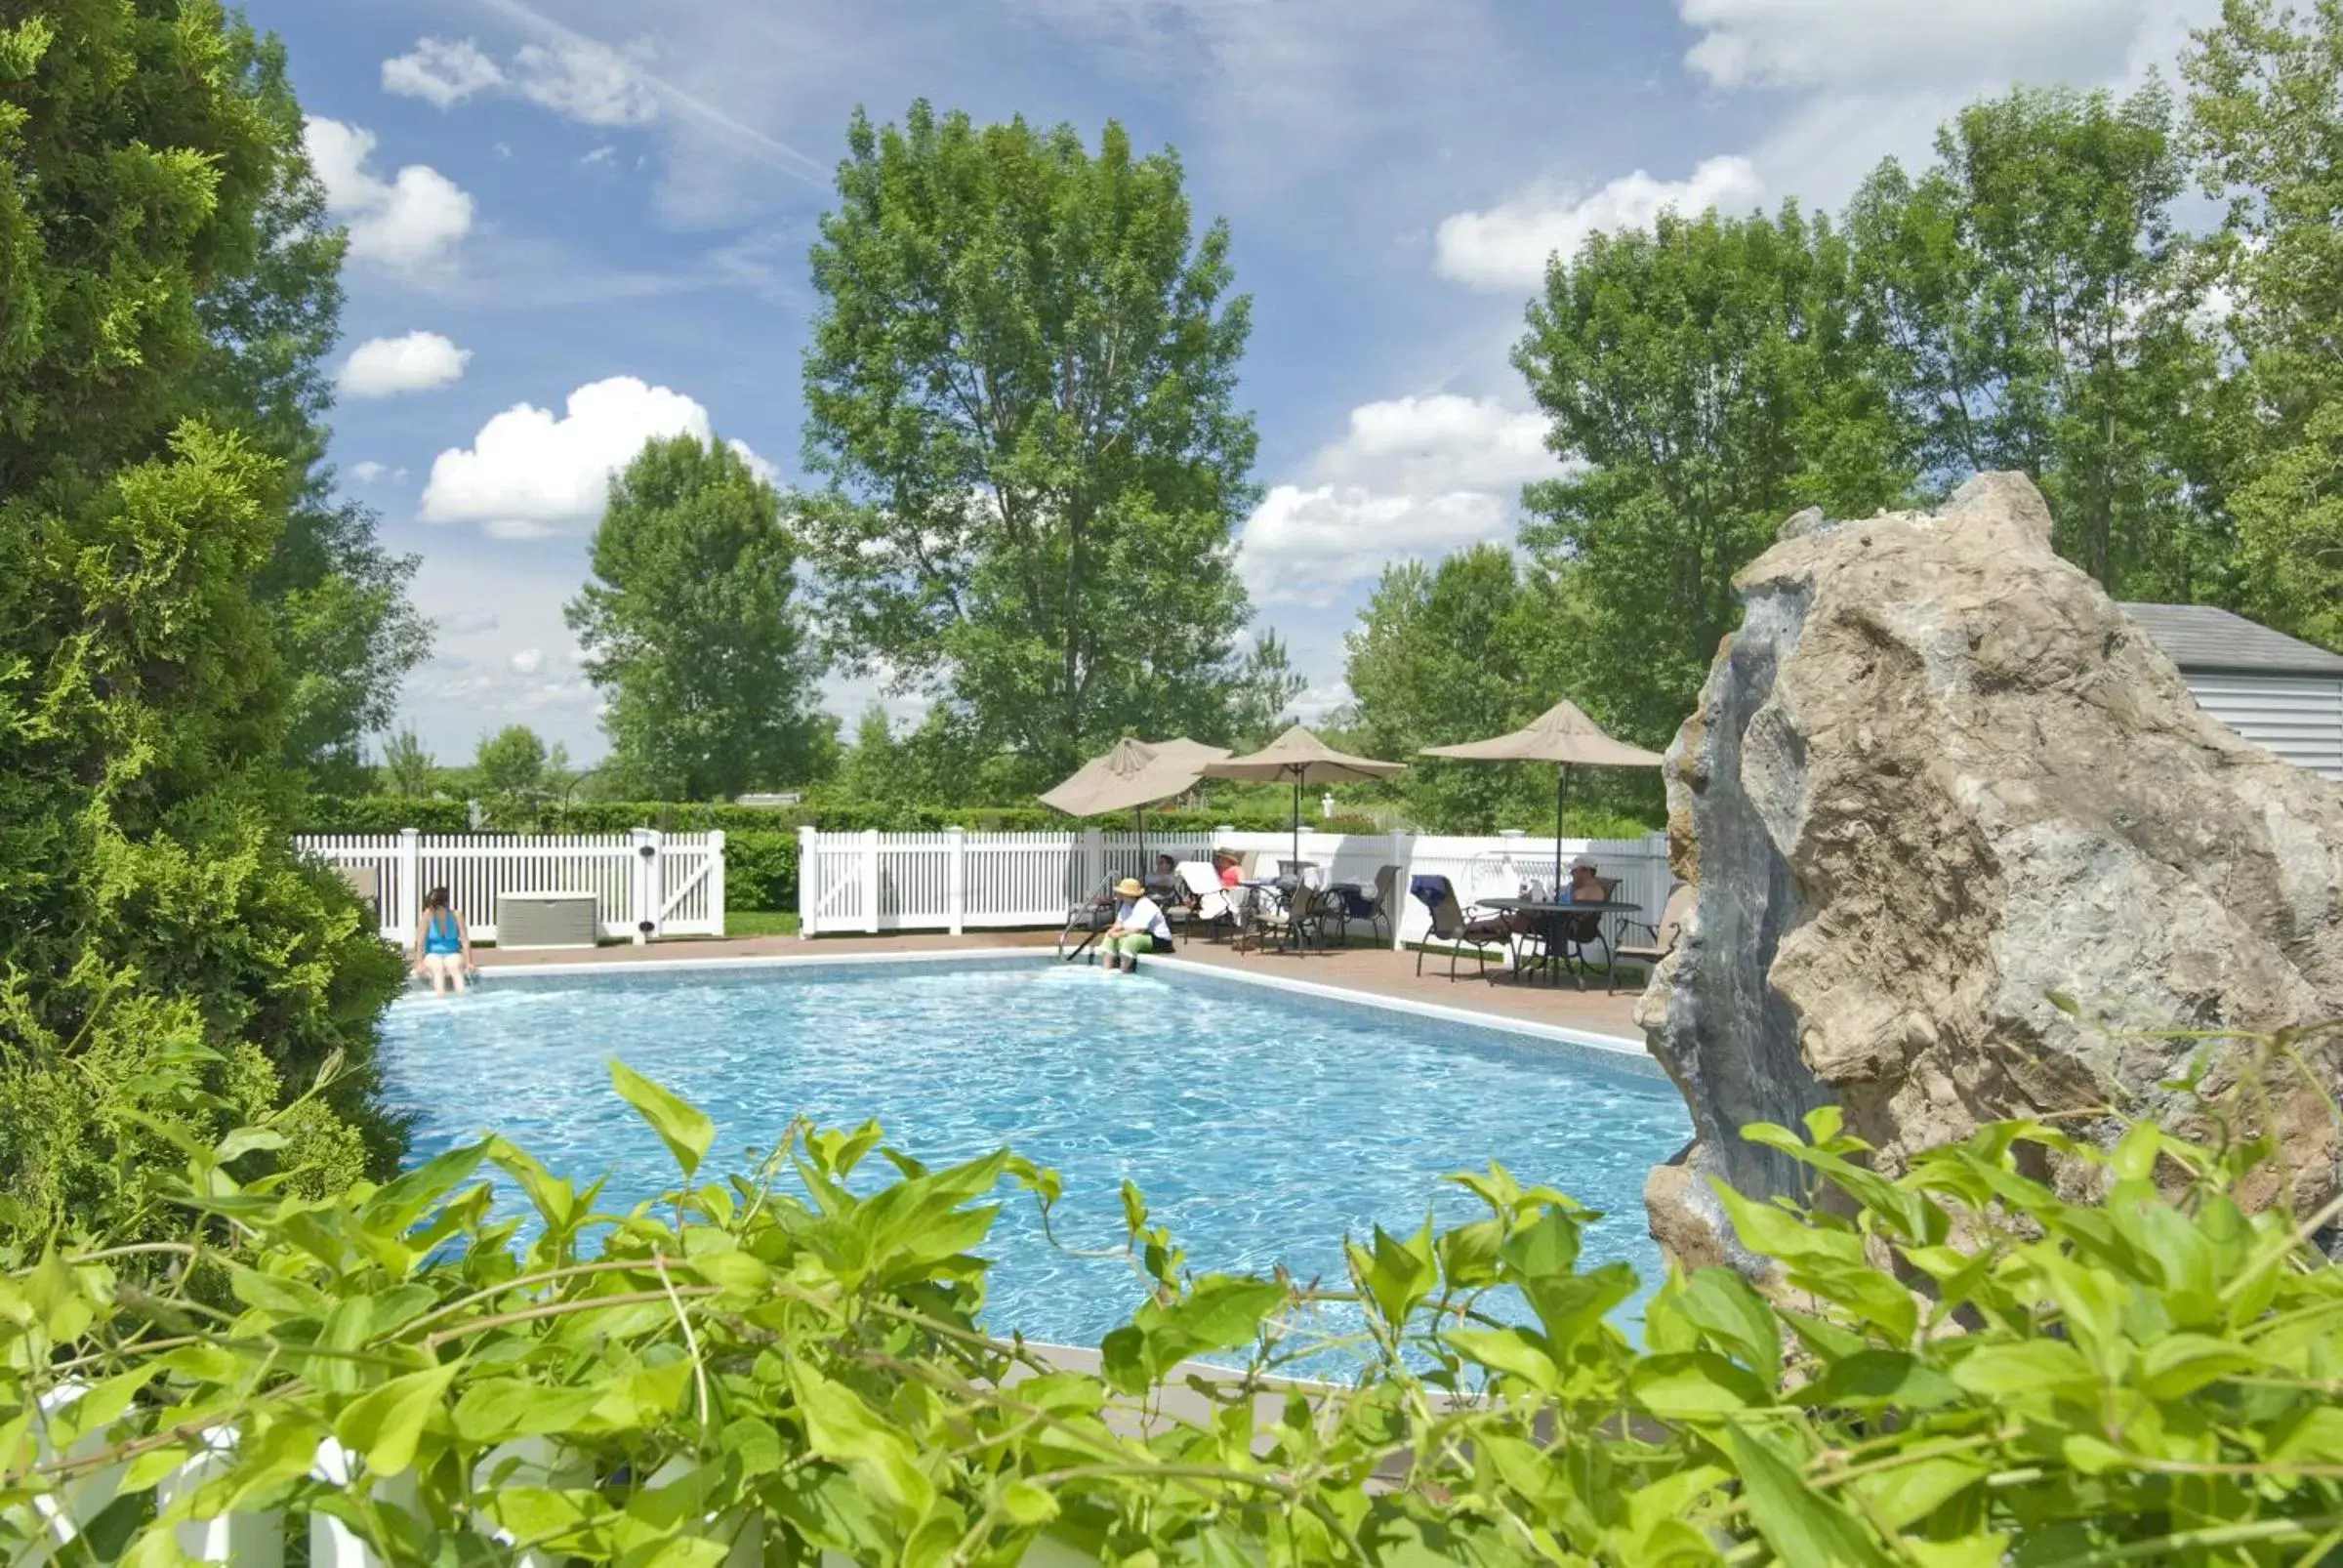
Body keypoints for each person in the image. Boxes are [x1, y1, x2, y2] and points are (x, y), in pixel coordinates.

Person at [1102, 876, 1173, 973]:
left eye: (1122, 894)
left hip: (1160, 940)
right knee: (1109, 938)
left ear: (1129, 895)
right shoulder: (1126, 904)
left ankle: (1124, 973)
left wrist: (1118, 934)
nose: (1119, 896)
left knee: (1131, 941)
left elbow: (1139, 930)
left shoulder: (1145, 905)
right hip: (1142, 935)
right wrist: (1112, 931)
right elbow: (1118, 924)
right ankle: (1106, 971)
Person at [411, 886, 473, 995]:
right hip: (432, 954)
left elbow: (464, 940)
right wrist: (419, 962)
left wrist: (469, 963)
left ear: (442, 904)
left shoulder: (456, 915)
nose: (430, 908)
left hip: (453, 953)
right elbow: (420, 942)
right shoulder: (427, 915)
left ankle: (463, 998)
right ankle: (440, 998)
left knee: (455, 969)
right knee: (437, 968)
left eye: (432, 905)